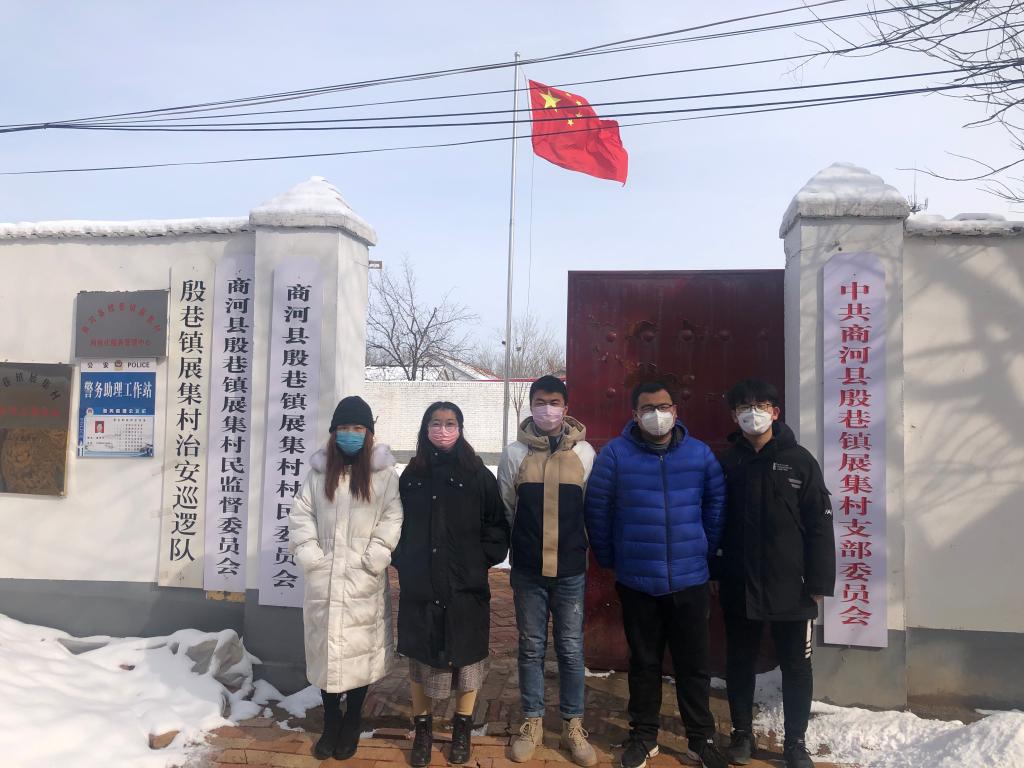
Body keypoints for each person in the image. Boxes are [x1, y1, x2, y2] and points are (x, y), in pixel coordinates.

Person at [584, 380, 728, 768]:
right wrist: (610, 557)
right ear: (635, 415)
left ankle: (700, 739)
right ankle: (643, 736)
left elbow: (716, 504)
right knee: (644, 663)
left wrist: (703, 548)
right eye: (648, 408)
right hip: (638, 581)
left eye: (663, 407)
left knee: (693, 666)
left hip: (690, 580)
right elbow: (597, 509)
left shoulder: (699, 455)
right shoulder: (615, 456)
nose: (657, 415)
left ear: (676, 411)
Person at [713, 379, 835, 768]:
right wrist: (715, 571)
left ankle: (795, 743)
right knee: (739, 661)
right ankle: (742, 734)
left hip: (793, 586)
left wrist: (819, 580)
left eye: (761, 405)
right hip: (740, 582)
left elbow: (820, 523)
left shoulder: (800, 460)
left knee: (797, 665)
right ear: (734, 415)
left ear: (775, 412)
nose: (753, 413)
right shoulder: (727, 463)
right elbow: (714, 521)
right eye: (744, 406)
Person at [394, 402, 510, 766]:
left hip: (465, 587)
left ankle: (462, 728)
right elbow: (395, 524)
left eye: (450, 423)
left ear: (460, 428)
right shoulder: (411, 475)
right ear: (424, 428)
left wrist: (479, 559)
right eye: (435, 423)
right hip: (421, 586)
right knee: (421, 659)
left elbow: (497, 525)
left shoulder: (477, 474)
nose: (442, 430)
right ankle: (423, 730)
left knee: (468, 660)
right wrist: (404, 560)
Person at [289, 395, 403, 761]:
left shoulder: (384, 476)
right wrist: (311, 556)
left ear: (368, 433)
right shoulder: (319, 473)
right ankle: (331, 721)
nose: (350, 434)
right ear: (333, 431)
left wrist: (375, 556)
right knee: (326, 652)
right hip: (324, 578)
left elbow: (392, 518)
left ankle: (352, 719)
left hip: (362, 578)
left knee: (358, 652)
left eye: (357, 428)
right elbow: (300, 515)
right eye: (343, 427)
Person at [497, 375, 598, 767]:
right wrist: (519, 545)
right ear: (531, 405)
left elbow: (589, 509)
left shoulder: (585, 453)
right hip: (528, 570)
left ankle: (573, 724)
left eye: (554, 402)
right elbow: (508, 506)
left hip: (570, 569)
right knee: (530, 646)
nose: (547, 409)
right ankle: (533, 721)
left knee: (570, 648)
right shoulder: (514, 454)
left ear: (566, 408)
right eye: (540, 402)